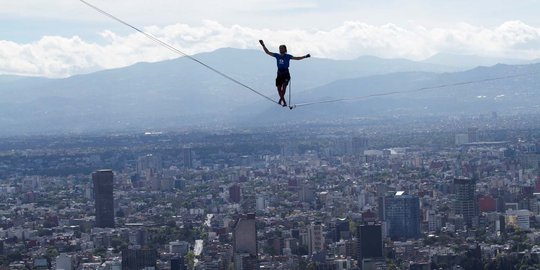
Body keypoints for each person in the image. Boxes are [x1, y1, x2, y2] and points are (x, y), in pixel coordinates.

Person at [259, 40, 310, 107]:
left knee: (284, 86)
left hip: (286, 73)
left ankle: (282, 100)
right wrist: (263, 45)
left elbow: (297, 58)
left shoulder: (288, 56)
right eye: (280, 48)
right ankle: (283, 100)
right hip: (279, 73)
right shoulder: (277, 55)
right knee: (278, 88)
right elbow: (267, 52)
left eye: (282, 48)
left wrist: (304, 56)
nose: (280, 49)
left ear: (285, 49)